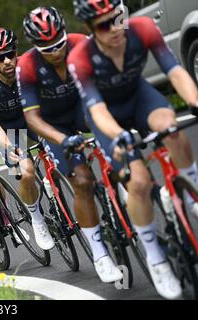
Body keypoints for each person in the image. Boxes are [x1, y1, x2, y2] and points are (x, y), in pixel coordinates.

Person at [68, 0, 198, 299]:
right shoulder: (80, 58)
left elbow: (175, 71)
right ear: (89, 30)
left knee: (170, 126)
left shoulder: (142, 29)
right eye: (104, 25)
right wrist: (119, 136)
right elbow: (97, 110)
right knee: (138, 181)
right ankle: (155, 257)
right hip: (107, 116)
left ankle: (191, 188)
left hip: (139, 97)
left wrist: (194, 100)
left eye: (117, 19)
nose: (114, 29)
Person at [18, 6, 122, 282]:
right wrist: (64, 140)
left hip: (83, 109)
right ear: (35, 46)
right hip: (54, 126)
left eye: (59, 43)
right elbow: (33, 120)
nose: (56, 51)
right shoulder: (27, 66)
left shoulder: (81, 43)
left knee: (117, 141)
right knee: (82, 181)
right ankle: (100, 253)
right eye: (47, 47)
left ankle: (123, 187)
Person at [0, 27, 54, 250]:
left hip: (33, 117)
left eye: (10, 54)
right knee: (26, 171)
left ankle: (51, 181)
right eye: (0, 58)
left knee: (61, 149)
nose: (7, 61)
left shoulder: (28, 66)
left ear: (17, 51)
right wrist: (8, 148)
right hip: (8, 129)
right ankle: (37, 219)